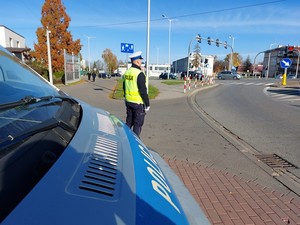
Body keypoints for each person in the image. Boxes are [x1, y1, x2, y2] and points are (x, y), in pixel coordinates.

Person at [123, 51, 150, 137]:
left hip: (128, 101)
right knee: (137, 125)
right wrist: (147, 104)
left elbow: (124, 87)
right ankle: (135, 143)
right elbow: (143, 90)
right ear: (137, 61)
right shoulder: (139, 74)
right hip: (138, 103)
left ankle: (125, 138)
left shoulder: (127, 73)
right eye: (140, 60)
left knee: (129, 122)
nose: (141, 62)